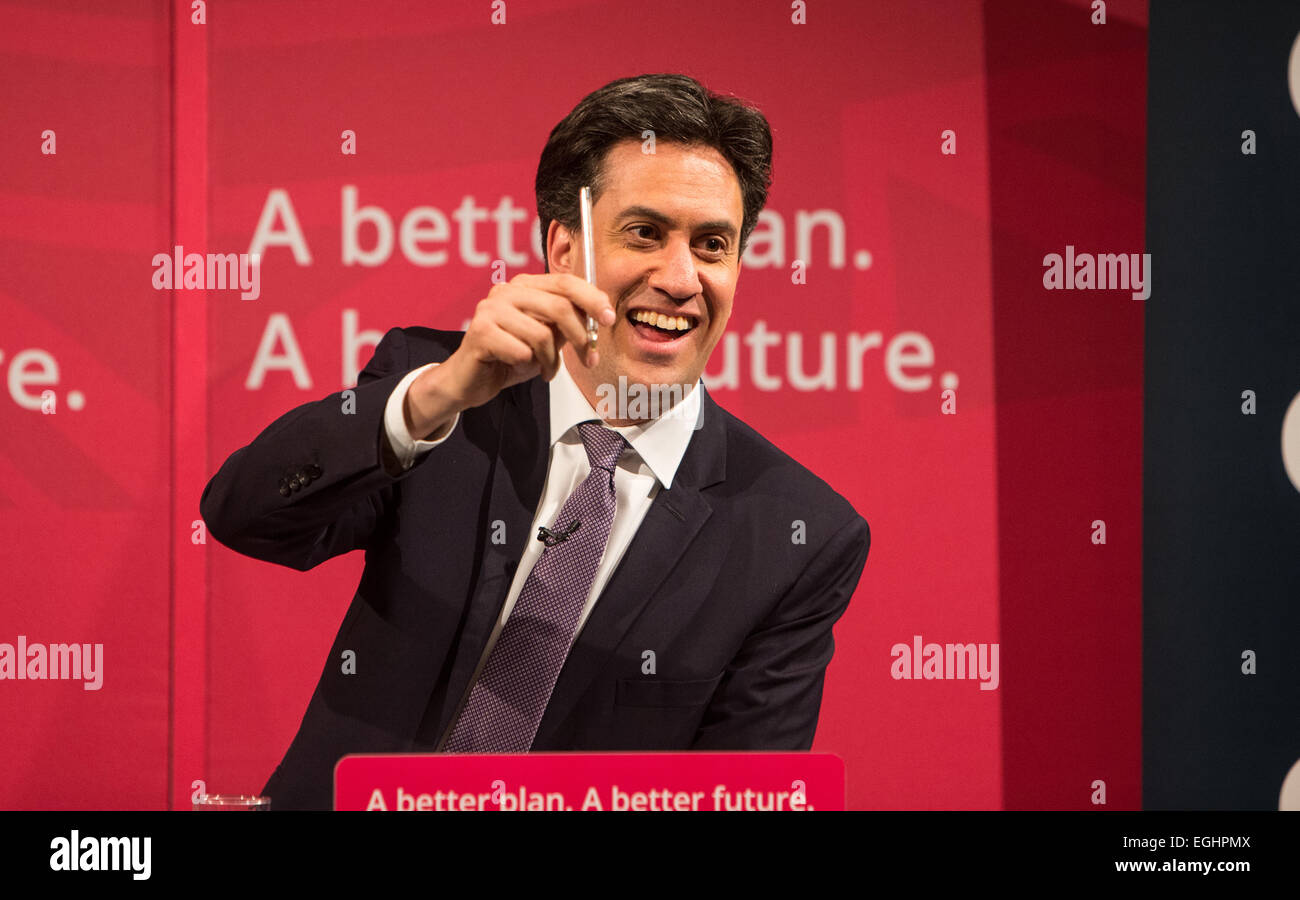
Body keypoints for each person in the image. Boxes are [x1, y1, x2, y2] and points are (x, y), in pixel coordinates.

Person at [201, 73, 871, 810]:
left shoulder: (795, 534)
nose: (682, 279)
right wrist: (437, 394)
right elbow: (243, 514)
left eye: (712, 245)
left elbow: (742, 796)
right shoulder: (443, 397)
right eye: (645, 233)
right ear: (563, 246)